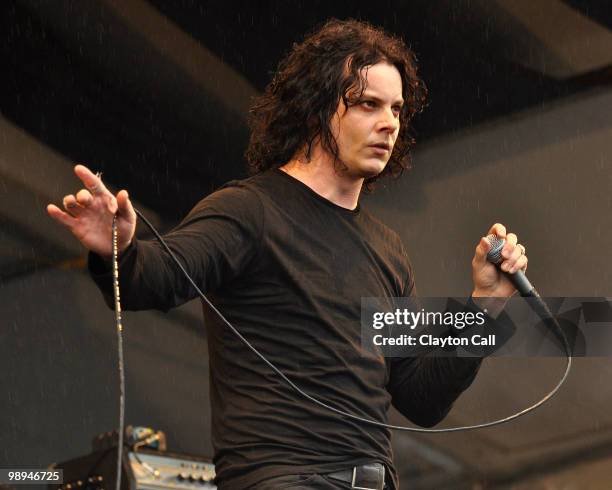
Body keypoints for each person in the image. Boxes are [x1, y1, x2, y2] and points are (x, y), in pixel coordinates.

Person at [47, 19, 528, 490]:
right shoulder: (250, 211)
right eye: (367, 105)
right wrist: (120, 244)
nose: (388, 123)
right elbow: (147, 280)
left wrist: (485, 306)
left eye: (397, 110)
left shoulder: (388, 250)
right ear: (316, 109)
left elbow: (422, 398)